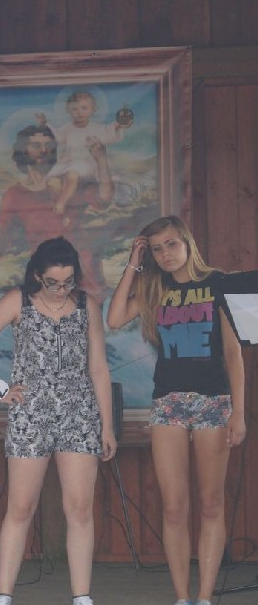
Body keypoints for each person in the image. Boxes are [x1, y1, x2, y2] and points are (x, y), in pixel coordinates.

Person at [0, 236, 116, 605]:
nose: (61, 289)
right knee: (20, 508)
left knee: (79, 508)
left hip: (79, 411)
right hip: (30, 412)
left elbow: (99, 367)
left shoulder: (87, 305)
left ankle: (81, 596)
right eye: (53, 282)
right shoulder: (17, 301)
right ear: (37, 275)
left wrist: (107, 425)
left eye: (68, 281)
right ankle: (4, 595)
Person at [107, 216, 245, 605]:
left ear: (187, 242)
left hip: (213, 401)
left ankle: (204, 597)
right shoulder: (155, 288)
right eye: (156, 248)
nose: (165, 253)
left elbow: (233, 353)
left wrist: (238, 413)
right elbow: (114, 319)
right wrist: (133, 264)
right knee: (173, 507)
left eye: (171, 244)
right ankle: (182, 597)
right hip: (168, 401)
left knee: (211, 503)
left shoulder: (217, 283)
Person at [0, 122, 114, 297]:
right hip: (45, 277)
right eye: (36, 146)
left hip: (83, 271)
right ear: (22, 150)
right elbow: (0, 240)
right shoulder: (15, 195)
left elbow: (103, 198)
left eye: (48, 146)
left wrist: (101, 160)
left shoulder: (69, 182)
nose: (44, 150)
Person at [37, 91, 127, 217]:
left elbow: (109, 131)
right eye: (75, 109)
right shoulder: (67, 127)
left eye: (84, 108)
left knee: (72, 174)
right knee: (51, 180)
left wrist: (119, 124)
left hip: (85, 164)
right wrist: (45, 124)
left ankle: (61, 203)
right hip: (66, 162)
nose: (79, 112)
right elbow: (58, 137)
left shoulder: (96, 128)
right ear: (69, 111)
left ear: (93, 109)